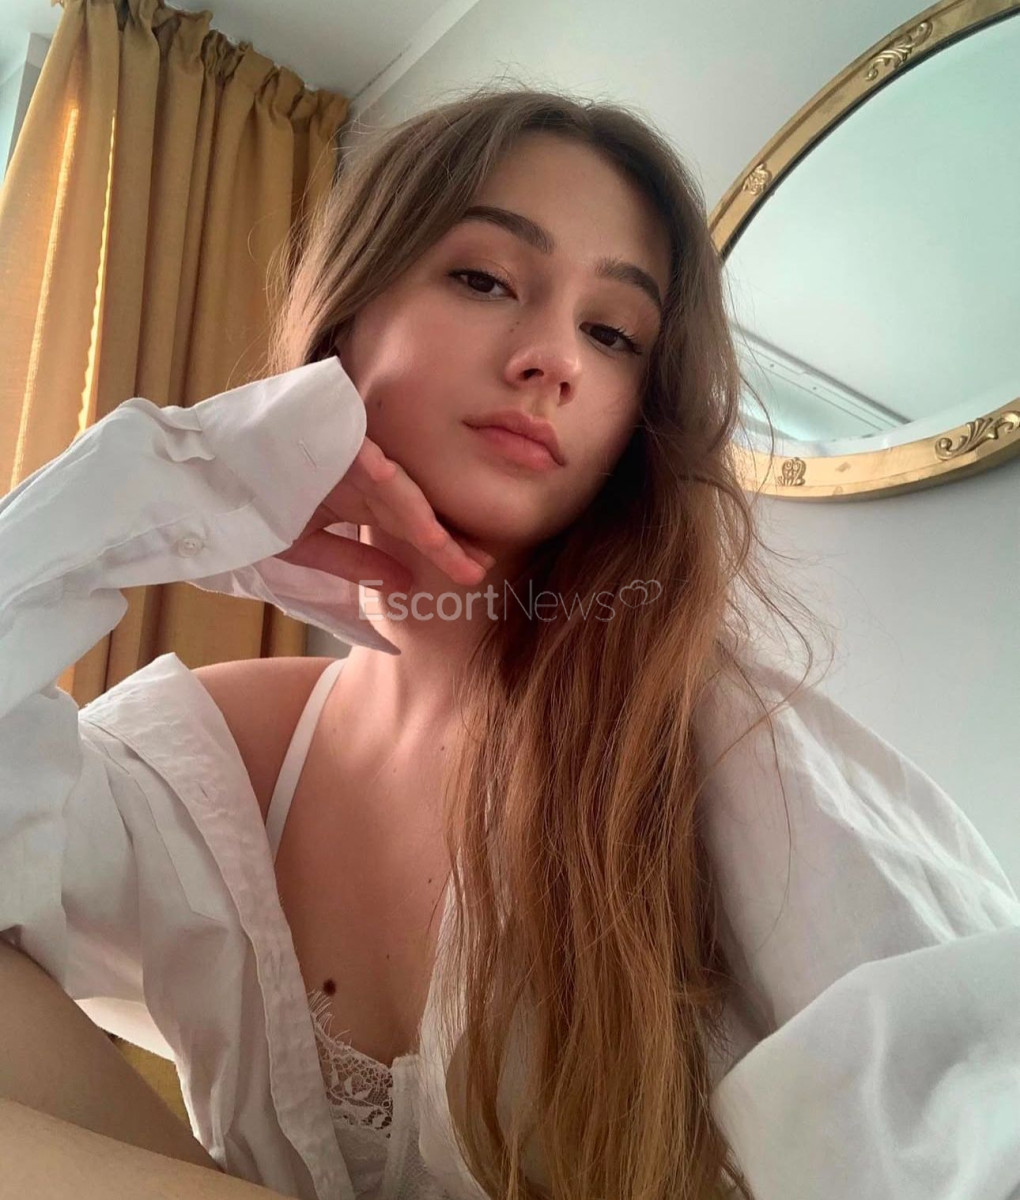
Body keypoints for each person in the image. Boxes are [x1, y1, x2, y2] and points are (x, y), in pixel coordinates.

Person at [1, 85, 1018, 1200]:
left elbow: (974, 1097)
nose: (554, 359)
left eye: (613, 333)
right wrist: (166, 482)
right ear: (347, 319)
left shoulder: (721, 741)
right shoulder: (222, 754)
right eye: (484, 279)